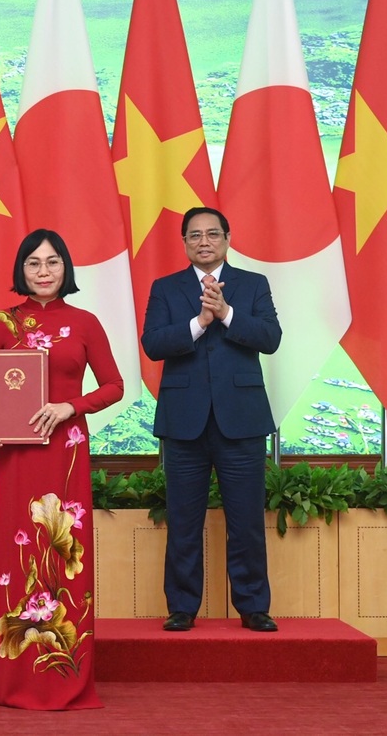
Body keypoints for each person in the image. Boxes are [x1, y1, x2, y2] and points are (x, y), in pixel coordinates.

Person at [0, 229, 123, 710]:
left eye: (52, 262)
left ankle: (63, 676)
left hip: (65, 455)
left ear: (66, 269)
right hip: (16, 456)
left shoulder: (85, 322)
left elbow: (114, 386)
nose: (43, 271)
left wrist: (69, 407)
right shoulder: (3, 322)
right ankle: (9, 679)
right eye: (33, 263)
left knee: (60, 554)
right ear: (21, 271)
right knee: (14, 560)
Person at [140, 206, 282, 633]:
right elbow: (153, 343)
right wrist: (200, 323)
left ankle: (254, 606)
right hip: (185, 423)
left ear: (227, 238)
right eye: (195, 235)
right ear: (184, 242)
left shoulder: (253, 285)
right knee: (183, 521)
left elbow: (270, 338)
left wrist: (226, 314)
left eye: (212, 234)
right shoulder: (165, 289)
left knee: (246, 521)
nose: (204, 241)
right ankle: (182, 606)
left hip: (242, 421)